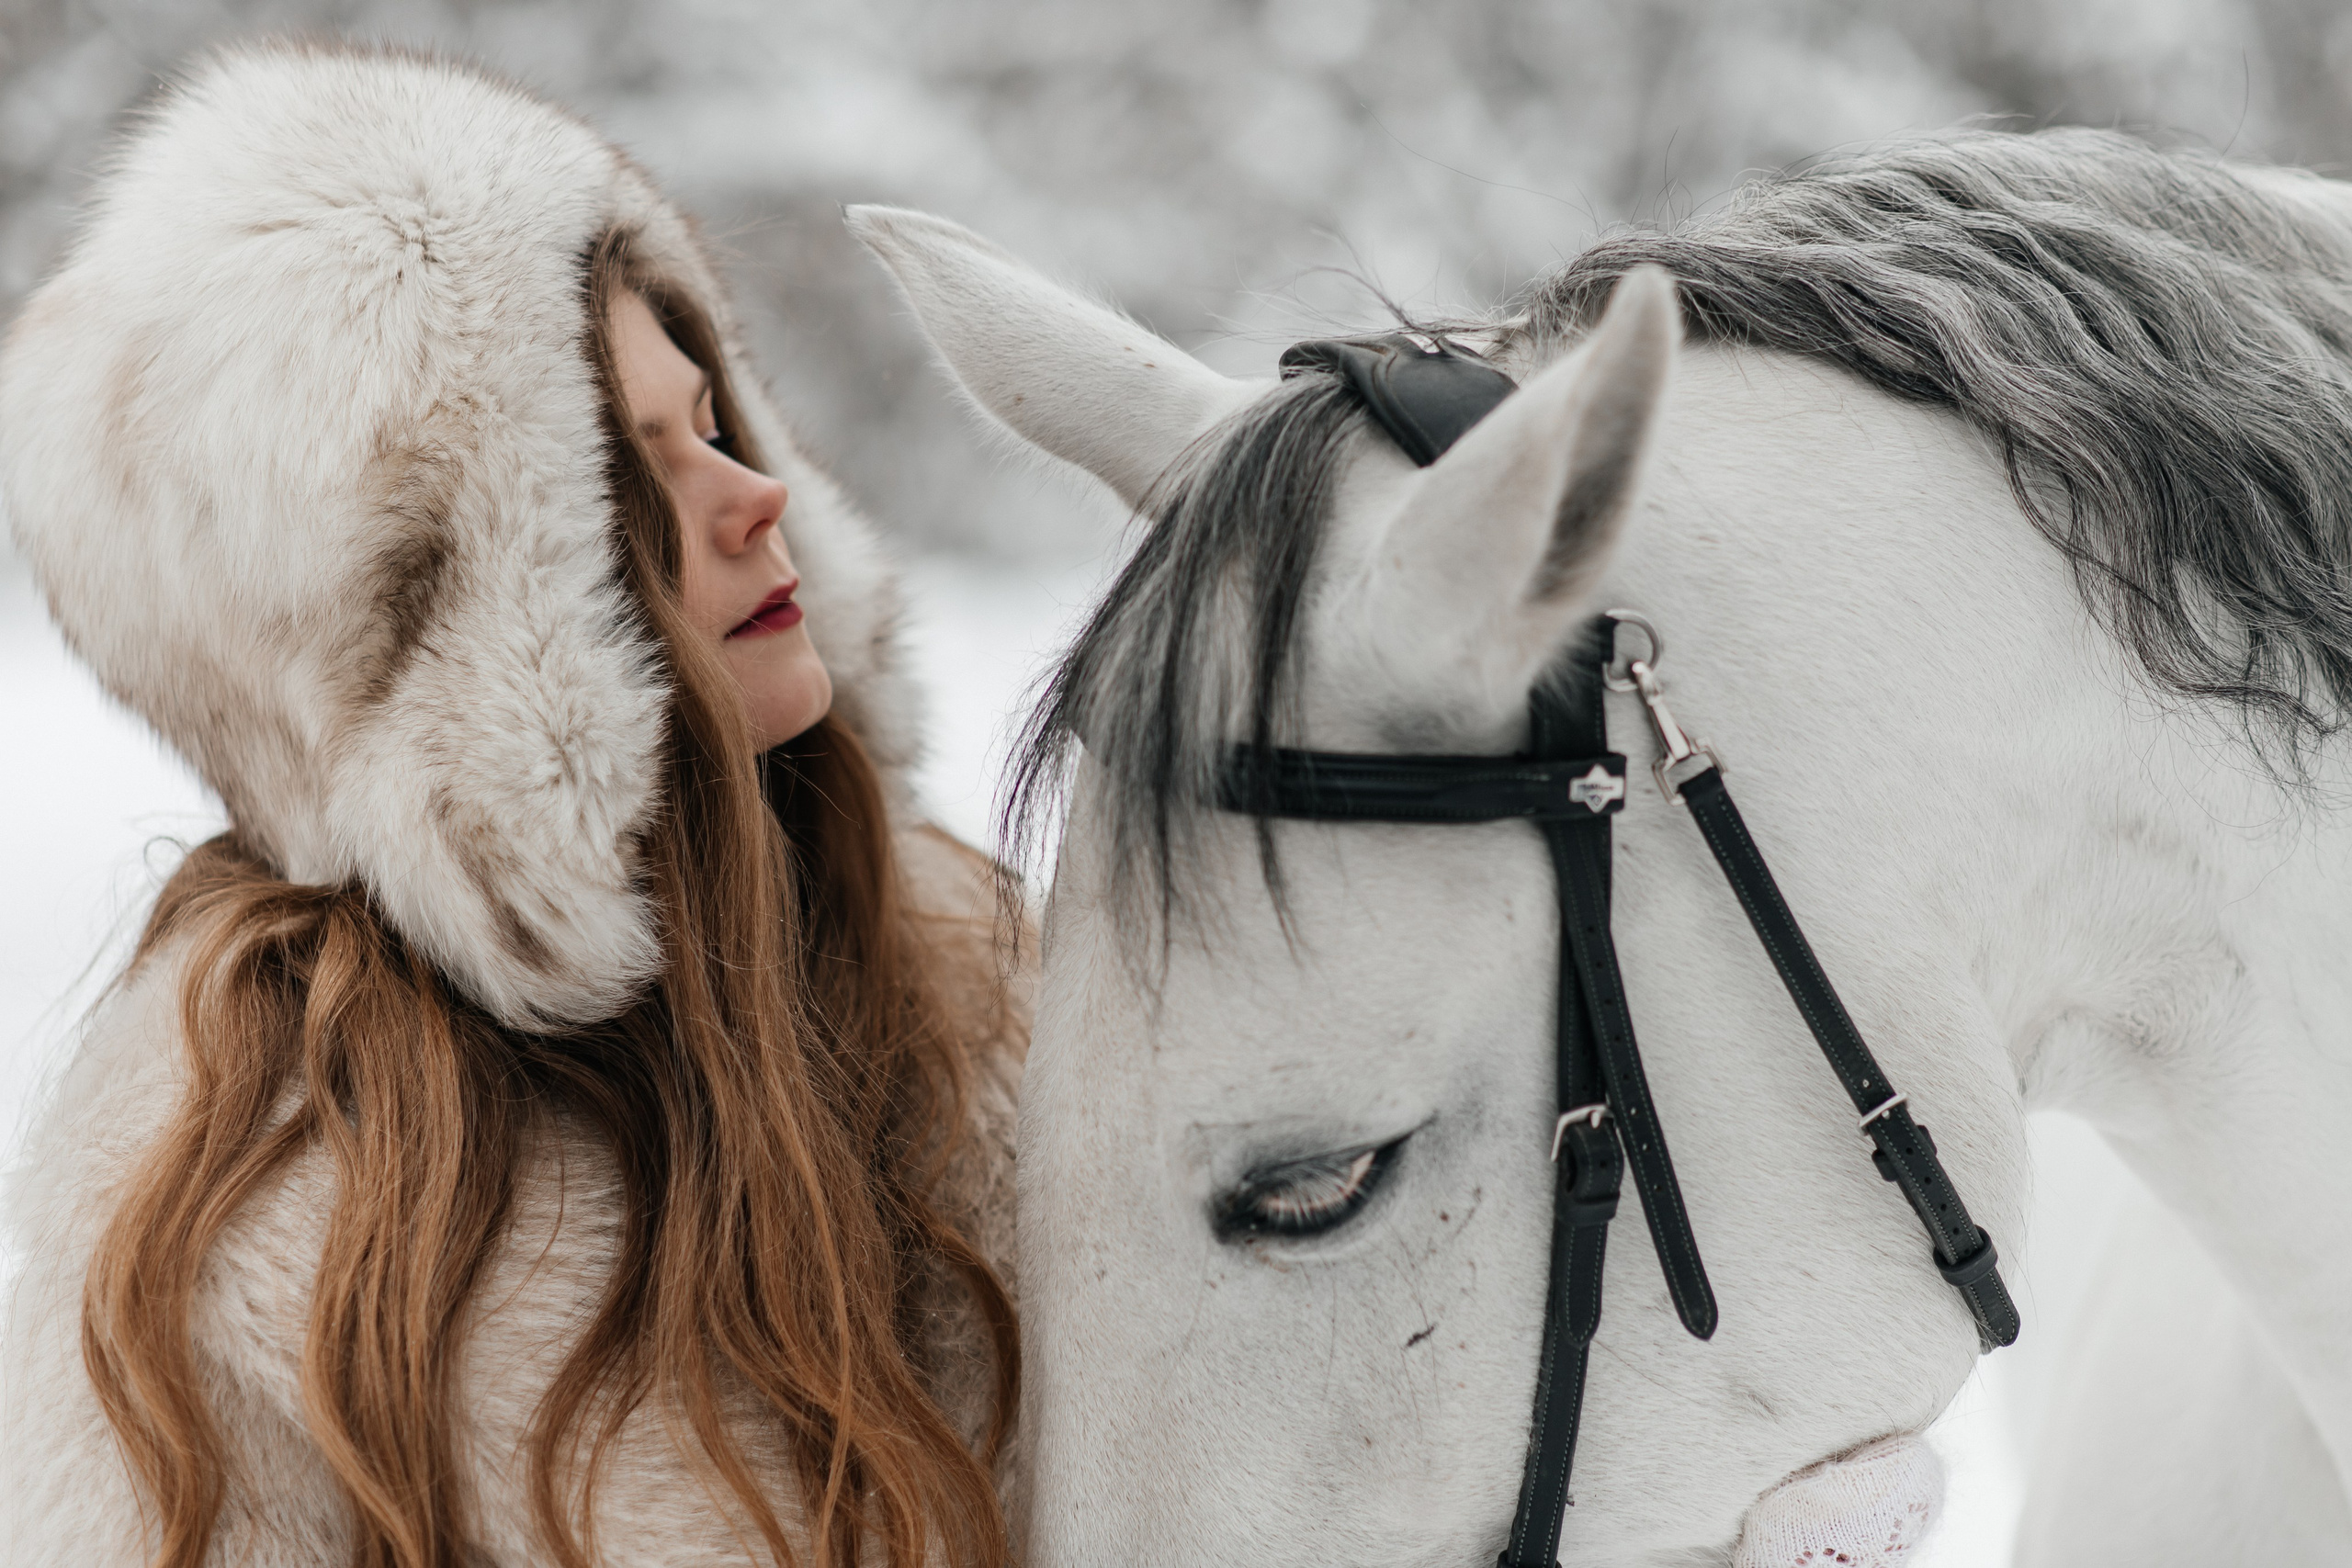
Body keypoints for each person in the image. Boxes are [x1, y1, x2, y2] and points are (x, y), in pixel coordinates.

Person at [0, 41, 1023, 1568]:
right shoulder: (242, 1222)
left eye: (719, 424)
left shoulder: (975, 979)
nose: (754, 499)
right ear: (451, 623)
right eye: (631, 472)